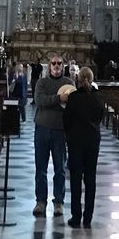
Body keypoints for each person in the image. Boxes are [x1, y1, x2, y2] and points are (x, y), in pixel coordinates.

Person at [33, 52, 74, 217]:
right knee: (40, 168)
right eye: (54, 63)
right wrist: (59, 99)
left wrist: (55, 101)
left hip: (60, 129)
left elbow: (72, 104)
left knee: (60, 169)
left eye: (59, 63)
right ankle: (40, 201)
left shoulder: (69, 82)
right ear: (49, 66)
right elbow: (39, 101)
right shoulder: (42, 82)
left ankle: (58, 202)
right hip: (42, 128)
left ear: (63, 66)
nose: (56, 66)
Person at [63, 66, 104, 228]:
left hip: (75, 141)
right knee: (90, 179)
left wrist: (70, 133)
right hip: (93, 140)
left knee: (75, 179)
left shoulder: (73, 97)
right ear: (92, 79)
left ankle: (76, 216)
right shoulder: (98, 97)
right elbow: (100, 117)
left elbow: (66, 119)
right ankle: (88, 217)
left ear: (78, 79)